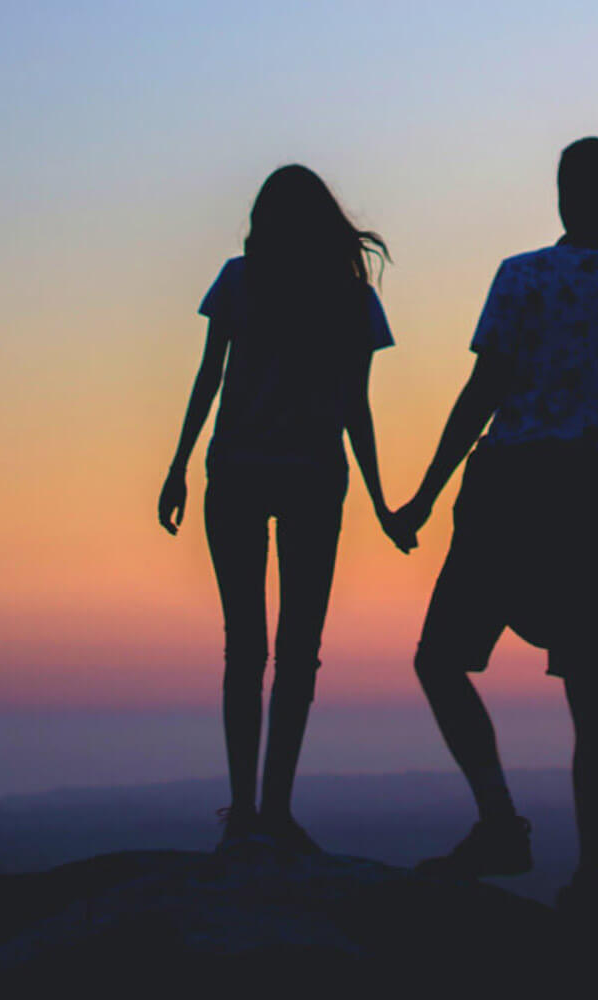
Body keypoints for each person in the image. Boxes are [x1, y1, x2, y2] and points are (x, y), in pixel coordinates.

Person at [392, 137, 598, 921]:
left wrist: (426, 495)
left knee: (440, 660)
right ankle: (592, 880)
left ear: (563, 197)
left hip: (510, 490)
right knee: (592, 699)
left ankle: (500, 824)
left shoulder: (523, 276)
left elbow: (483, 393)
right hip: (597, 501)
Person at [159, 165, 412, 853]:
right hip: (312, 478)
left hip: (236, 472)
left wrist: (179, 465)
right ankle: (273, 810)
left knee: (246, 648)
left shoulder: (239, 280)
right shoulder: (351, 299)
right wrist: (384, 503)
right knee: (298, 653)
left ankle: (246, 812)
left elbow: (209, 376)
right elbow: (355, 408)